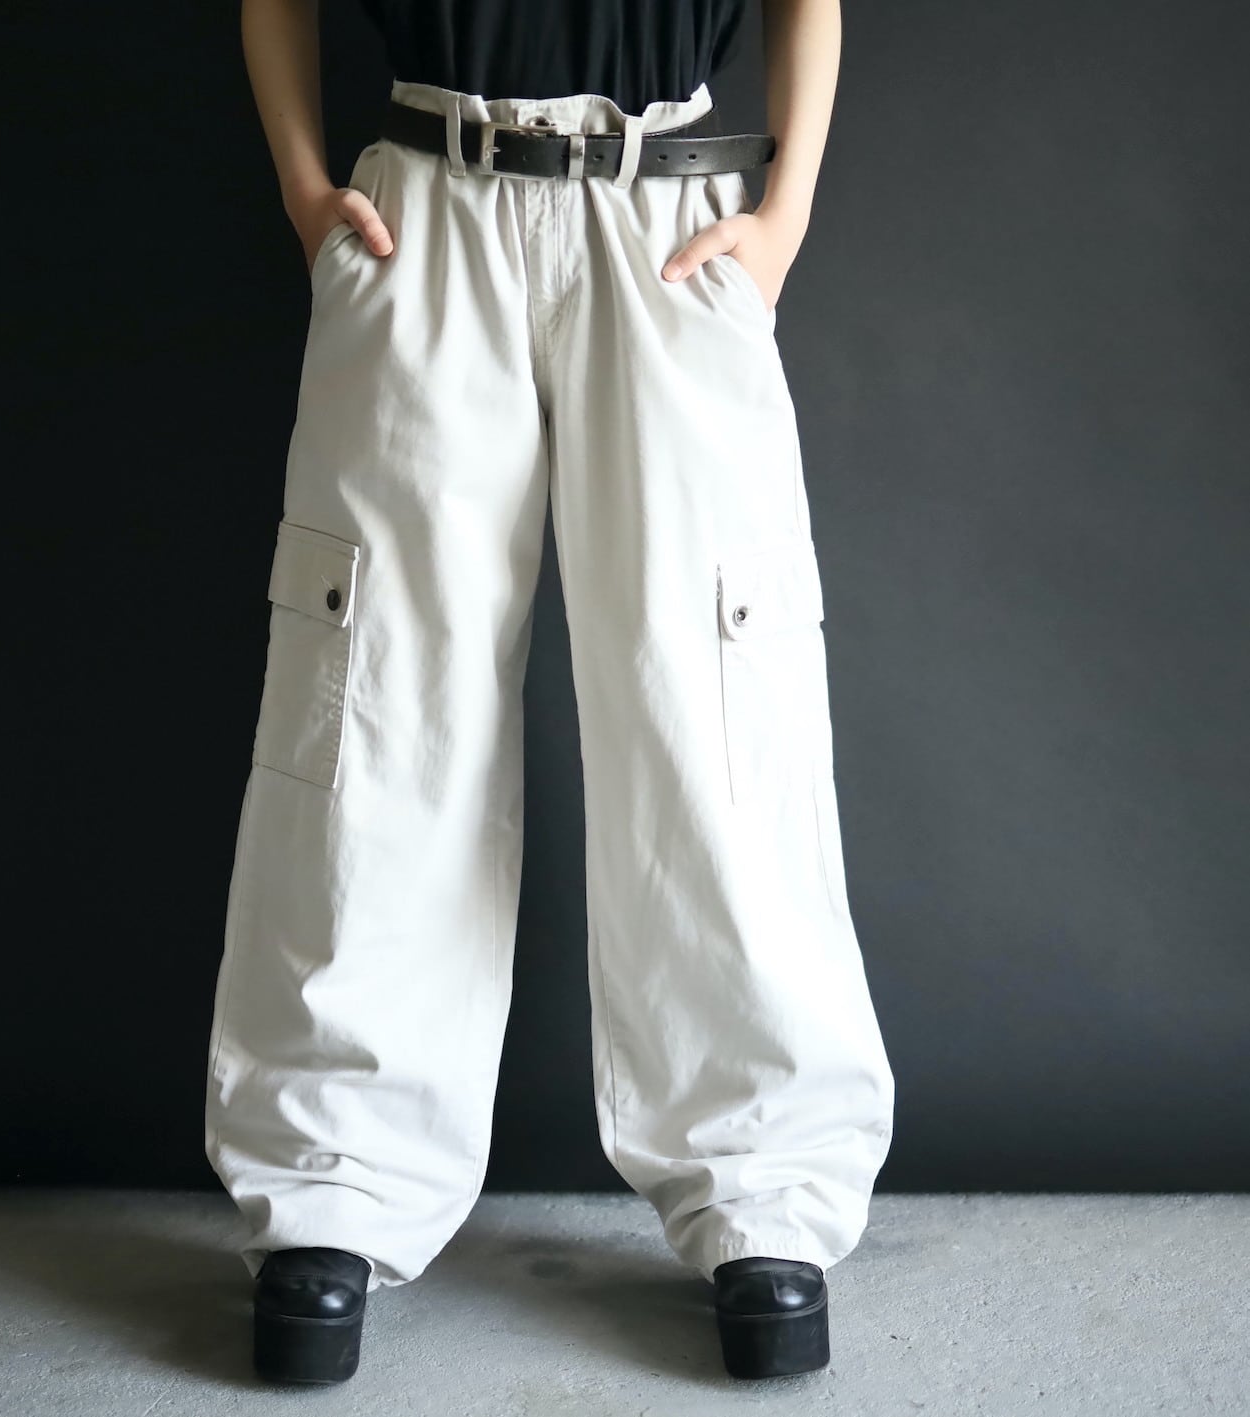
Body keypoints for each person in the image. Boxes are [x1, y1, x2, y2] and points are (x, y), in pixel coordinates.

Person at [204, 0, 895, 1386]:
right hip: (422, 210)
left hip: (669, 217)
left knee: (713, 709)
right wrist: (301, 191)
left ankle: (762, 1186)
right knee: (376, 701)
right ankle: (332, 1181)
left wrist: (785, 217)